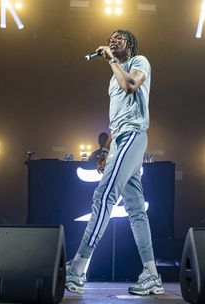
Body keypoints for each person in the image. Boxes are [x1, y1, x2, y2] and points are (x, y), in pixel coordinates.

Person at [65, 29, 163, 296]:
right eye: (110, 38)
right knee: (135, 210)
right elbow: (117, 117)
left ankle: (77, 269)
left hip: (133, 135)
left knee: (104, 196)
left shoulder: (138, 62)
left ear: (130, 44)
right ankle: (152, 275)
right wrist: (105, 150)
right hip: (121, 138)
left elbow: (130, 85)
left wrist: (111, 60)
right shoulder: (114, 75)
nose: (112, 40)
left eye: (119, 38)